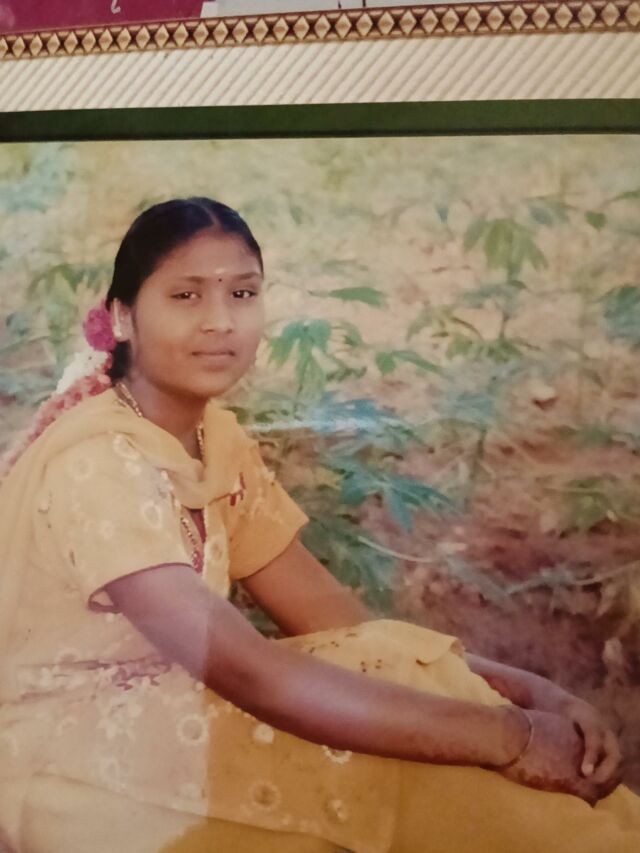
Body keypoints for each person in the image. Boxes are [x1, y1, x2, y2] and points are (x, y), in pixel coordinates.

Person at [0, 197, 638, 853]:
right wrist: (509, 735)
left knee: (403, 696)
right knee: (423, 790)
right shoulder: (97, 464)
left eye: (242, 293)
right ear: (122, 317)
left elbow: (347, 627)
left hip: (177, 717)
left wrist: (532, 696)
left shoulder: (213, 441)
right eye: (185, 296)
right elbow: (248, 673)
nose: (220, 320)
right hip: (76, 763)